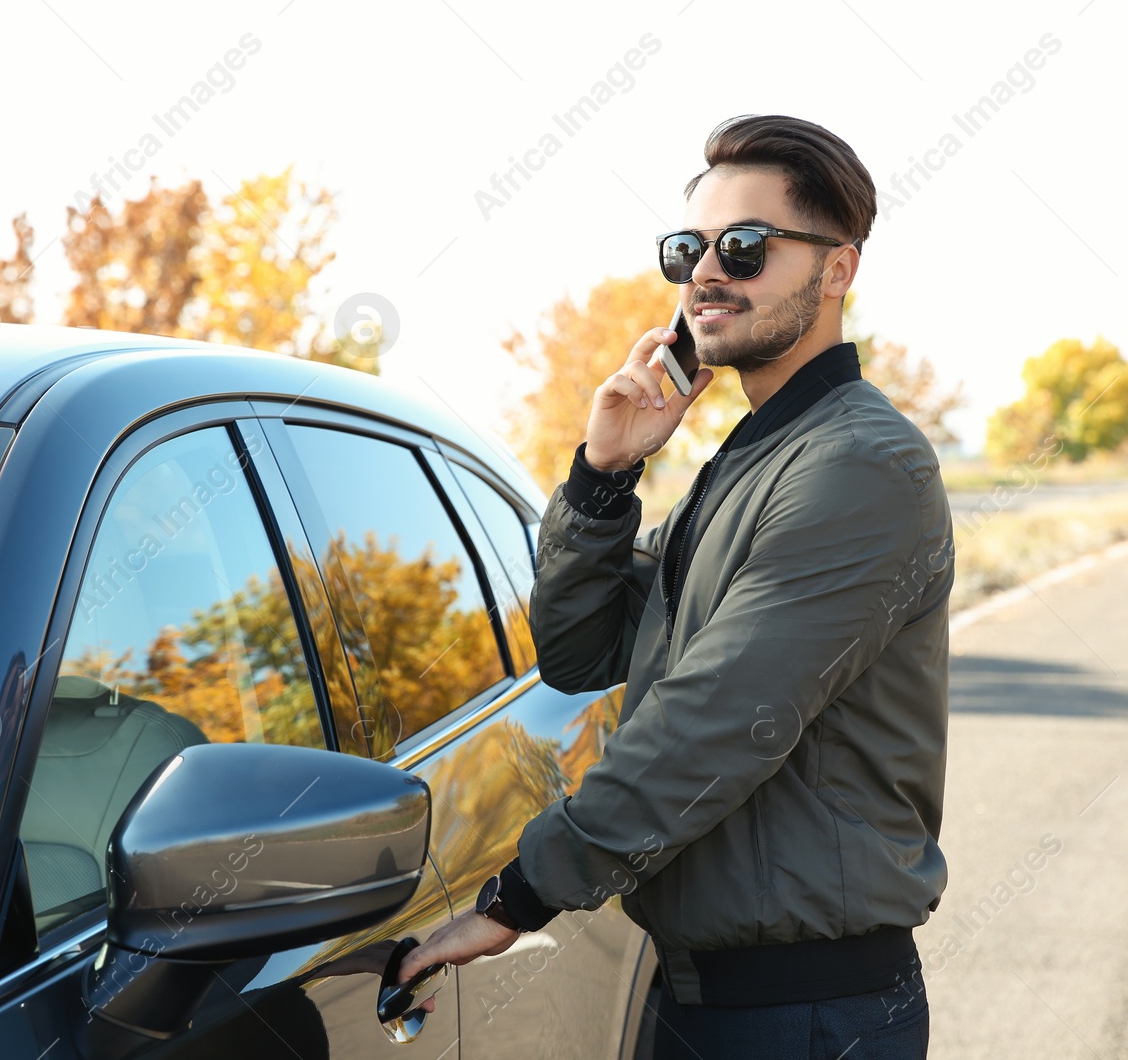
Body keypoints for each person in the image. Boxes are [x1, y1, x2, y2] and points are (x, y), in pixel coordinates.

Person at [399, 113, 953, 1059]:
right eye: (686, 249)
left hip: (804, 1015)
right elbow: (579, 651)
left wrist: (521, 892)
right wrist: (604, 475)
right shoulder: (747, 462)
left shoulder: (857, 467)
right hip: (704, 999)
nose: (706, 273)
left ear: (837, 270)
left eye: (743, 248)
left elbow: (716, 720)